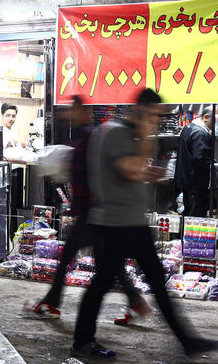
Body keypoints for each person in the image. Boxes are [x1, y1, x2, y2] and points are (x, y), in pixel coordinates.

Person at [71, 88, 218, 359]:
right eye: (155, 115)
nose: (158, 121)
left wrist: (148, 171)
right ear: (142, 111)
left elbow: (130, 173)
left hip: (131, 222)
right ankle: (82, 341)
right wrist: (145, 138)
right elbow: (130, 170)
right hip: (112, 224)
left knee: (156, 281)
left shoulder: (125, 135)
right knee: (103, 281)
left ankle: (187, 341)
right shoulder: (115, 133)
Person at [28, 96, 148, 322]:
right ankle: (135, 301)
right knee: (108, 265)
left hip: (93, 213)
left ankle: (55, 304)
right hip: (94, 212)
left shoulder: (91, 137)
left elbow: (92, 176)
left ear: (83, 112)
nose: (68, 114)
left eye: (72, 110)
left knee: (86, 262)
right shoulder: (87, 137)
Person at [175, 106, 214, 217]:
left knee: (188, 211)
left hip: (186, 179)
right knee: (196, 214)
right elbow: (200, 157)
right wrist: (212, 164)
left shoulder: (188, 128)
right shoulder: (201, 133)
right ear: (206, 117)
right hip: (195, 181)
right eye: (215, 120)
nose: (216, 124)